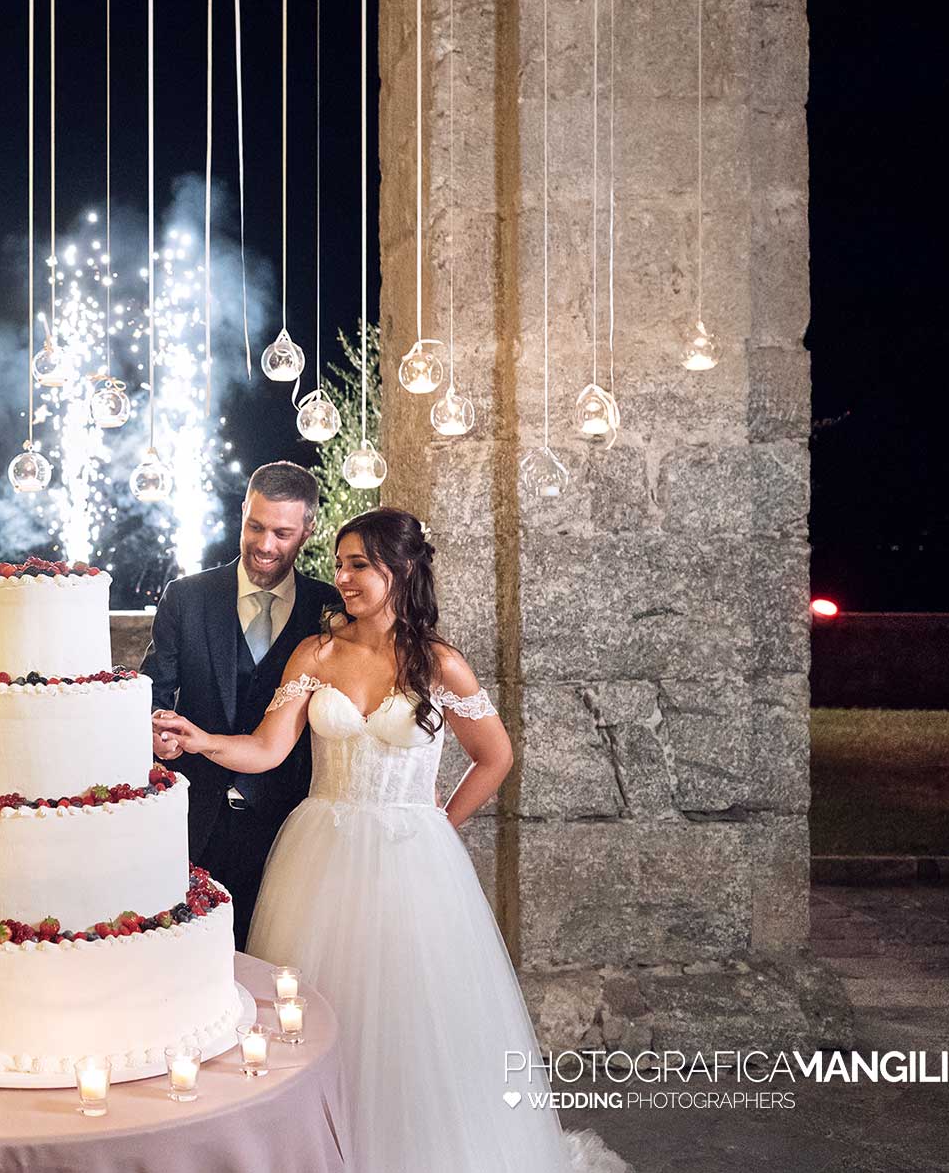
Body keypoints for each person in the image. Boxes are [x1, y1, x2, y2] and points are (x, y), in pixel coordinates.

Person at [154, 508, 630, 1171]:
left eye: (359, 565)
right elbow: (267, 747)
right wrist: (202, 740)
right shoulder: (316, 653)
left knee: (413, 1016)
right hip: (320, 854)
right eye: (340, 564)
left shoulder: (440, 665)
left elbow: (496, 757)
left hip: (413, 861)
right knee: (320, 1009)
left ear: (401, 570)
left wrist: (441, 821)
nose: (342, 579)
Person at [140, 461, 339, 951]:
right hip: (195, 820)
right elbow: (152, 693)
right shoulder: (186, 598)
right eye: (255, 525)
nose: (265, 544)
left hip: (289, 827)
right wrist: (153, 732)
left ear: (307, 531)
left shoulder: (330, 608)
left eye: (282, 532)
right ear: (242, 511)